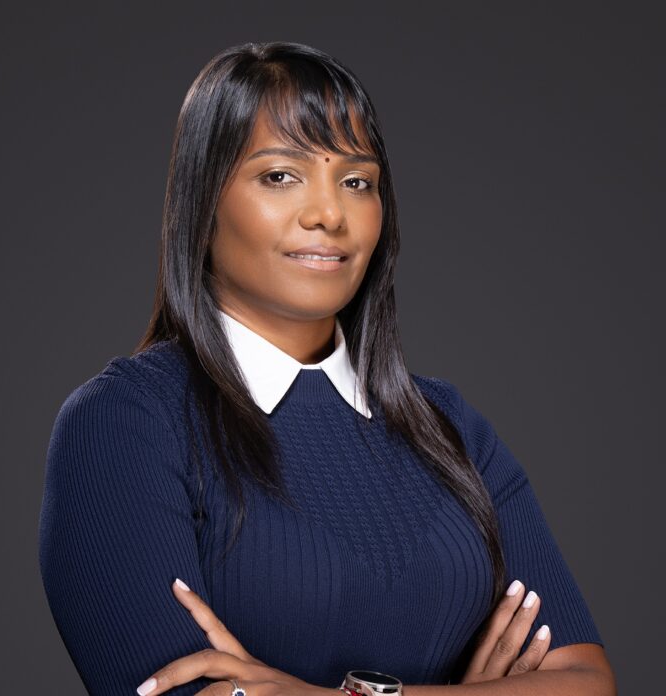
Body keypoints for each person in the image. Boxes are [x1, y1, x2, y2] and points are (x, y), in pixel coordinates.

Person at [38, 41, 616, 696]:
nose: (330, 214)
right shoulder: (124, 424)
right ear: (203, 203)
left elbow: (587, 684)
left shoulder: (449, 427)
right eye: (280, 176)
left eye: (356, 181)